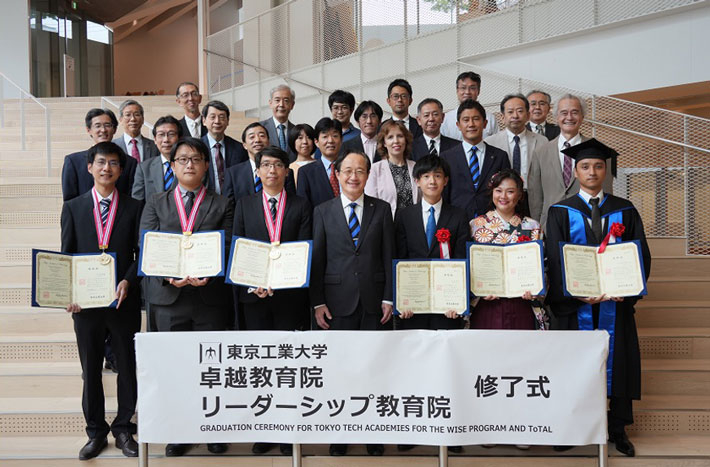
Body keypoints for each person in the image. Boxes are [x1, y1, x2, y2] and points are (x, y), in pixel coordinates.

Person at [545, 138, 650, 457]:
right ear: (575, 172)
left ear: (607, 171)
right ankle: (572, 428)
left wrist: (627, 290)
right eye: (585, 166)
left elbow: (640, 255)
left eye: (598, 166)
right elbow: (554, 256)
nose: (592, 171)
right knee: (572, 367)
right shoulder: (560, 211)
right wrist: (574, 294)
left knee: (617, 366)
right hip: (576, 308)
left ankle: (617, 429)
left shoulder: (625, 210)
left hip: (614, 306)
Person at [139, 137, 234, 457]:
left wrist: (212, 271)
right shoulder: (155, 202)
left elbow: (228, 245)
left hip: (209, 298)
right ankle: (180, 430)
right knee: (174, 369)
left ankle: (214, 430)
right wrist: (168, 274)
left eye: (196, 159)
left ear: (207, 166)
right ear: (173, 165)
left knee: (212, 368)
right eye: (182, 159)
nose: (189, 164)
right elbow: (147, 245)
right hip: (169, 298)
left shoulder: (222, 203)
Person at [60, 142, 142, 460]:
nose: (106, 168)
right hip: (86, 305)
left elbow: (141, 252)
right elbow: (66, 253)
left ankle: (123, 428)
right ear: (89, 167)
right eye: (101, 162)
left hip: (123, 301)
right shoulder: (74, 207)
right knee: (91, 369)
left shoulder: (134, 207)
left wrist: (128, 281)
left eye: (113, 163)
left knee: (127, 367)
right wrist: (68, 293)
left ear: (121, 170)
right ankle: (95, 432)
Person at [311, 150, 394, 457]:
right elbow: (317, 260)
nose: (353, 176)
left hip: (373, 301)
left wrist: (388, 296)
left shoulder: (382, 209)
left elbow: (388, 253)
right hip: (336, 301)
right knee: (340, 369)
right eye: (347, 170)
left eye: (360, 170)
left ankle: (372, 431)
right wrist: (317, 302)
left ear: (368, 175)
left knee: (373, 368)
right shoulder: (323, 211)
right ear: (338, 174)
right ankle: (341, 432)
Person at [232, 146, 312, 456]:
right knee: (261, 365)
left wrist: (279, 283)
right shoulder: (244, 205)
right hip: (255, 298)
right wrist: (255, 284)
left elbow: (306, 249)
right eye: (266, 165)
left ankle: (289, 428)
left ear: (286, 171)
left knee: (288, 365)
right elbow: (238, 247)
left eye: (278, 165)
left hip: (289, 298)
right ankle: (265, 428)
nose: (272, 171)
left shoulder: (302, 206)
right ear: (258, 171)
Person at [394, 154, 468, 330]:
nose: (432, 181)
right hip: (413, 305)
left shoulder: (459, 216)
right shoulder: (404, 216)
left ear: (446, 180)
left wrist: (456, 301)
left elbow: (461, 259)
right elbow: (399, 257)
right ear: (417, 181)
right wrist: (402, 300)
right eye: (426, 176)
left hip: (447, 306)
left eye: (437, 176)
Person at [470, 169, 544, 331]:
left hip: (522, 301)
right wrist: (478, 289)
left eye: (510, 191)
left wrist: (535, 289)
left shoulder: (532, 226)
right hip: (487, 302)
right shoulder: (476, 226)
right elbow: (469, 266)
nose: (503, 197)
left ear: (519, 195)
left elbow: (543, 266)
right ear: (491, 193)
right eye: (498, 191)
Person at [527, 93, 613, 228]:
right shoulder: (540, 152)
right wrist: (538, 226)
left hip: (588, 224)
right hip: (551, 225)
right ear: (556, 117)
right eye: (564, 113)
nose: (569, 117)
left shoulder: (599, 150)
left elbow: (606, 190)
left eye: (575, 112)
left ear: (582, 116)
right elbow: (535, 196)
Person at [442, 99, 510, 220]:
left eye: (476, 119)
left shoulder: (500, 156)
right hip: (458, 221)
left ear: (485, 123)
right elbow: (444, 194)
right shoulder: (446, 158)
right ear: (458, 125)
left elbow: (506, 191)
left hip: (493, 223)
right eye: (466, 120)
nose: (471, 124)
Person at [485, 93, 547, 215]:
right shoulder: (490, 142)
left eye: (520, 111)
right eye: (510, 112)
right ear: (502, 117)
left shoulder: (542, 141)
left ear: (528, 115)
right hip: (502, 200)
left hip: (531, 199)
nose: (515, 116)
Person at [62, 108, 137, 201]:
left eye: (107, 125)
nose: (103, 130)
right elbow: (69, 200)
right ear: (88, 130)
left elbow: (131, 198)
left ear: (114, 129)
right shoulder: (73, 161)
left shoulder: (130, 162)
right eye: (97, 126)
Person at [222, 122, 296, 202]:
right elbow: (228, 205)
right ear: (244, 145)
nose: (257, 140)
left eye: (262, 136)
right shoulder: (232, 173)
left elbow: (291, 203)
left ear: (268, 142)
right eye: (252, 137)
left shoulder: (283, 171)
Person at [365, 120, 418, 218]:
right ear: (384, 143)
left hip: (413, 223)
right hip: (386, 225)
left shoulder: (415, 167)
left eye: (400, 136)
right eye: (390, 137)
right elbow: (371, 204)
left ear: (406, 140)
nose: (396, 141)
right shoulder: (375, 169)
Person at [200, 100, 249, 194]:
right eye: (213, 117)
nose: (217, 121)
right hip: (204, 202)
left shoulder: (239, 148)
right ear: (204, 120)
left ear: (227, 121)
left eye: (222, 117)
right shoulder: (196, 147)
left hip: (231, 201)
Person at [131, 115, 182, 202]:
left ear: (180, 138)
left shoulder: (190, 165)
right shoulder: (144, 168)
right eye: (161, 135)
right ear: (155, 139)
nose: (166, 140)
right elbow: (137, 203)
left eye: (171, 134)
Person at [297, 118, 344, 208]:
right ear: (316, 142)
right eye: (325, 136)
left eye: (335, 135)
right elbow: (303, 209)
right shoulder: (306, 172)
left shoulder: (351, 168)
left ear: (341, 140)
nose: (330, 140)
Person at [441, 72, 498, 141]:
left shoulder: (490, 118)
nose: (467, 92)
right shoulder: (446, 119)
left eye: (472, 88)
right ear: (457, 91)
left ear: (478, 91)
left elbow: (496, 143)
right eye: (463, 88)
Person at [260, 84, 296, 161]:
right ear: (270, 103)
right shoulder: (260, 128)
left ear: (292, 105)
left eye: (286, 100)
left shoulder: (296, 131)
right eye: (277, 100)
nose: (281, 105)